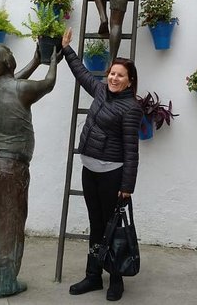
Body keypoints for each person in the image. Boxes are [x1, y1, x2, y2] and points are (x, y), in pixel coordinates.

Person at [60, 27, 141, 301]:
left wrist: (127, 186)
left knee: (112, 228)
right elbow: (82, 74)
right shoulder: (101, 91)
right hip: (89, 171)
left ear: (130, 82)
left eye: (120, 75)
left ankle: (116, 279)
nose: (114, 78)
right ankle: (94, 275)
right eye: (112, 73)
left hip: (111, 176)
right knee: (96, 224)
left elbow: (132, 149)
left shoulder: (131, 108)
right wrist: (67, 49)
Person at [0, 44, 58, 298]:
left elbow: (12, 82)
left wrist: (33, 61)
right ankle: (4, 281)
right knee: (9, 223)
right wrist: (52, 60)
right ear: (9, 61)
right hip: (9, 169)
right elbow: (48, 83)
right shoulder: (20, 89)